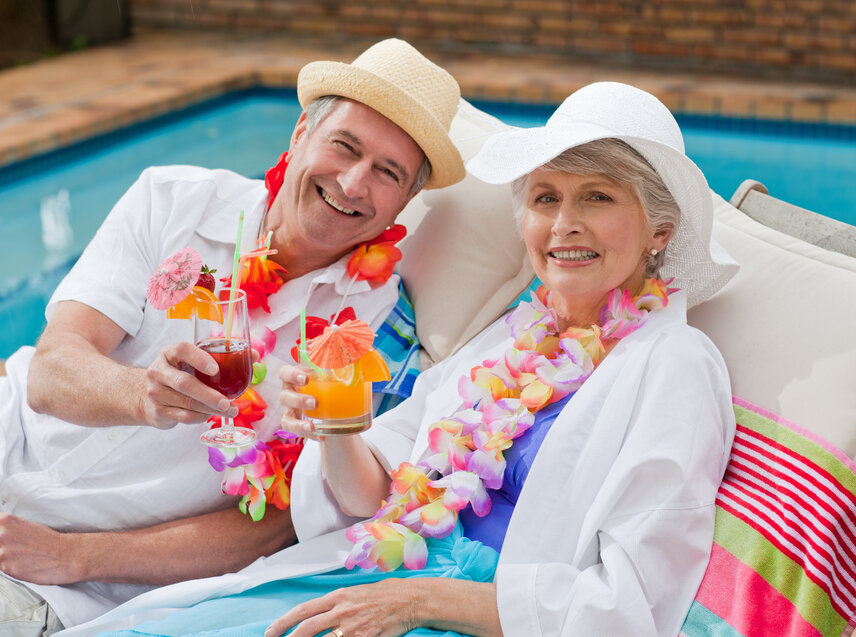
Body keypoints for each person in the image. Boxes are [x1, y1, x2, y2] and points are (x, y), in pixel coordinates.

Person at [55, 81, 741, 637]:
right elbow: (375, 489)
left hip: (479, 615)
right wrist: (341, 426)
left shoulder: (676, 365)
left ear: (659, 232)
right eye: (545, 197)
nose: (564, 222)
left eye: (597, 196)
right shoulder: (513, 340)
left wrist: (421, 601)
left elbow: (631, 604)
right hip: (380, 574)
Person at [0, 39, 466, 636]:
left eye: (387, 172)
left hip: (84, 567)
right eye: (344, 145)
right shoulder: (172, 198)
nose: (354, 183)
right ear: (300, 133)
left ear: (405, 203)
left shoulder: (377, 333)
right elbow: (52, 368)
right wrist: (142, 394)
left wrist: (80, 558)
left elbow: (275, 526)